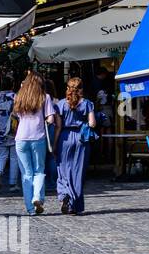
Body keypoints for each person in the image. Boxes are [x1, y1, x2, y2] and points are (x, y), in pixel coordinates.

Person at [12, 72, 57, 217]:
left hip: (21, 138)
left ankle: (30, 209)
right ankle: (37, 197)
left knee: (26, 174)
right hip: (38, 137)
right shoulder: (45, 97)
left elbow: (16, 115)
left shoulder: (18, 97)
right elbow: (50, 119)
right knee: (39, 170)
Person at [53, 76, 97, 215]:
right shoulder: (87, 103)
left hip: (64, 138)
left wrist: (54, 144)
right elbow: (92, 124)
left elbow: (58, 126)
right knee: (78, 172)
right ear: (81, 89)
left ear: (68, 88)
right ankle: (74, 204)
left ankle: (65, 195)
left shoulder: (60, 104)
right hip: (81, 139)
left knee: (63, 170)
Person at [0, 74, 18, 192]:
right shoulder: (15, 97)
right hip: (12, 130)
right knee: (14, 157)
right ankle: (13, 183)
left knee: (1, 155)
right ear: (12, 85)